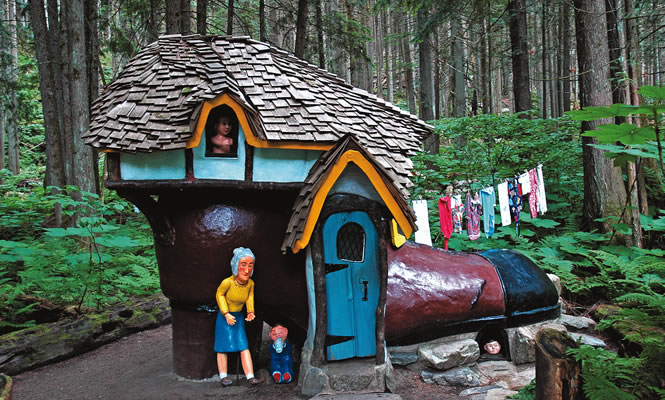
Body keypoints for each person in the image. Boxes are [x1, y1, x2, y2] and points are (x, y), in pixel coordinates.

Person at [215, 247, 262, 386]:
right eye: (243, 265)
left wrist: (250, 311)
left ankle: (250, 377)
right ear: (236, 265)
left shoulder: (250, 284)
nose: (246, 270)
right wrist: (226, 313)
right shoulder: (227, 283)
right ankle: (223, 377)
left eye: (250, 265)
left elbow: (249, 296)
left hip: (239, 317)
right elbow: (219, 295)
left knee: (243, 346)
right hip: (225, 318)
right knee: (222, 347)